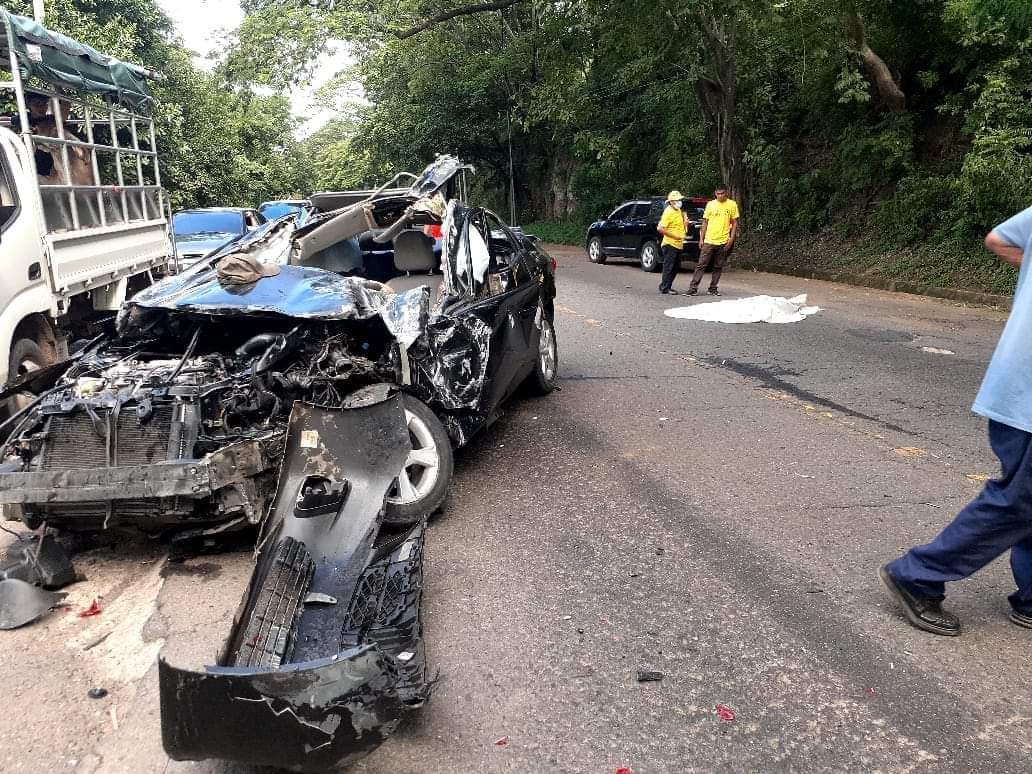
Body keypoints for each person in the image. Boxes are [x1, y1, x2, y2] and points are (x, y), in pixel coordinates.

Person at [880, 205, 1032, 636]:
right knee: (1020, 499)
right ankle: (916, 575)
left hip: (1017, 377)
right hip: (1028, 392)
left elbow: (999, 239)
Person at [689, 186, 739, 296]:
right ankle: (693, 288)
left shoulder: (732, 204)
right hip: (709, 240)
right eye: (718, 194)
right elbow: (705, 222)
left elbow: (734, 222)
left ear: (726, 193)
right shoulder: (710, 204)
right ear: (715, 194)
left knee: (718, 266)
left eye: (722, 193)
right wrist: (701, 238)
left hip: (723, 240)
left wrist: (731, 239)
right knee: (701, 264)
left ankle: (713, 288)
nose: (720, 196)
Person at [657, 190, 688, 295]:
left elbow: (682, 228)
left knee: (675, 267)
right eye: (677, 200)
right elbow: (660, 228)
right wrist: (675, 236)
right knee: (669, 267)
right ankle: (665, 287)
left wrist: (686, 223)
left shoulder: (678, 211)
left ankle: (666, 285)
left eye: (680, 200)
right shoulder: (668, 212)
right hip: (670, 244)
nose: (679, 202)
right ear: (671, 202)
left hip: (678, 244)